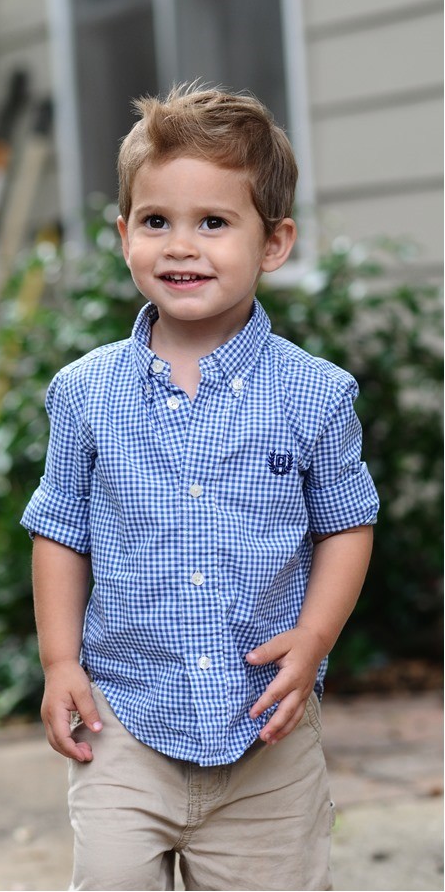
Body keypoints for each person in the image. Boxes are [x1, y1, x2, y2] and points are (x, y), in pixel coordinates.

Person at [21, 83, 379, 892]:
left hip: (266, 731)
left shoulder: (314, 396)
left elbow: (347, 524)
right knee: (110, 878)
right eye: (157, 221)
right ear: (123, 236)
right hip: (124, 718)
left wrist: (315, 637)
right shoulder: (85, 392)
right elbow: (61, 529)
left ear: (275, 241)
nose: (182, 245)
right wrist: (59, 660)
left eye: (213, 222)